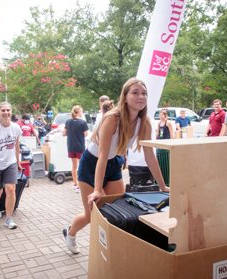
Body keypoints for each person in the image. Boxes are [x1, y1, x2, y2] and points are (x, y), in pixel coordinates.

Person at [62, 78, 170, 254]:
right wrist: (97, 190)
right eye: (135, 92)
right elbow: (102, 157)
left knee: (118, 209)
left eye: (144, 93)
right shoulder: (112, 118)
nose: (140, 96)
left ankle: (115, 251)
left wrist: (163, 186)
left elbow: (150, 156)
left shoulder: (145, 122)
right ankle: (70, 233)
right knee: (91, 216)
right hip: (92, 163)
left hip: (113, 163)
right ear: (125, 97)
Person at [63, 106, 89, 193]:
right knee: (81, 166)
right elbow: (86, 135)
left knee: (74, 166)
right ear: (79, 112)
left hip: (71, 146)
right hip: (80, 147)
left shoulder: (68, 121)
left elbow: (64, 133)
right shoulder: (83, 122)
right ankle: (80, 185)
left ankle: (75, 184)